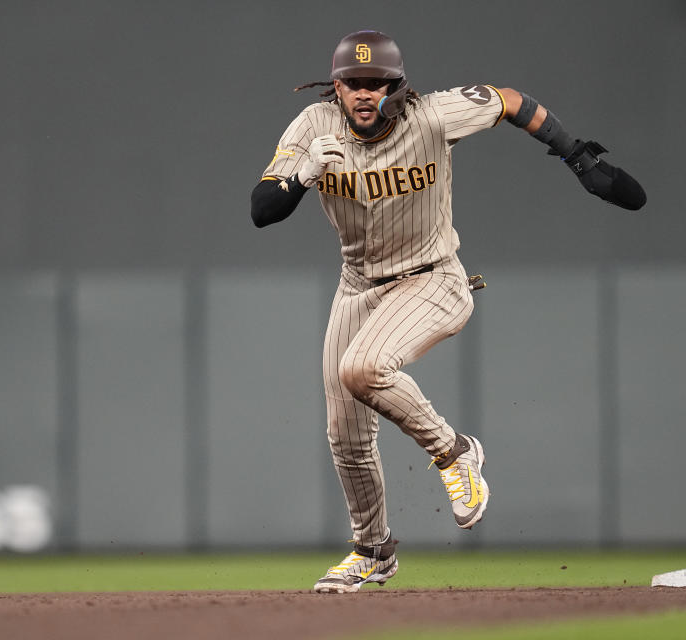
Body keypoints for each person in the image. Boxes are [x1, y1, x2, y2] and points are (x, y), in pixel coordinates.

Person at [250, 30, 645, 594]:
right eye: (352, 83)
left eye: (376, 83)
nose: (364, 94)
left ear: (397, 86)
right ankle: (372, 550)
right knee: (345, 436)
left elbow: (508, 99)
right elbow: (262, 210)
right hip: (357, 287)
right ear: (334, 86)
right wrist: (302, 171)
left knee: (362, 369)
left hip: (431, 278)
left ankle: (454, 452)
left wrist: (574, 152)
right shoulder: (312, 129)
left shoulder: (432, 116)